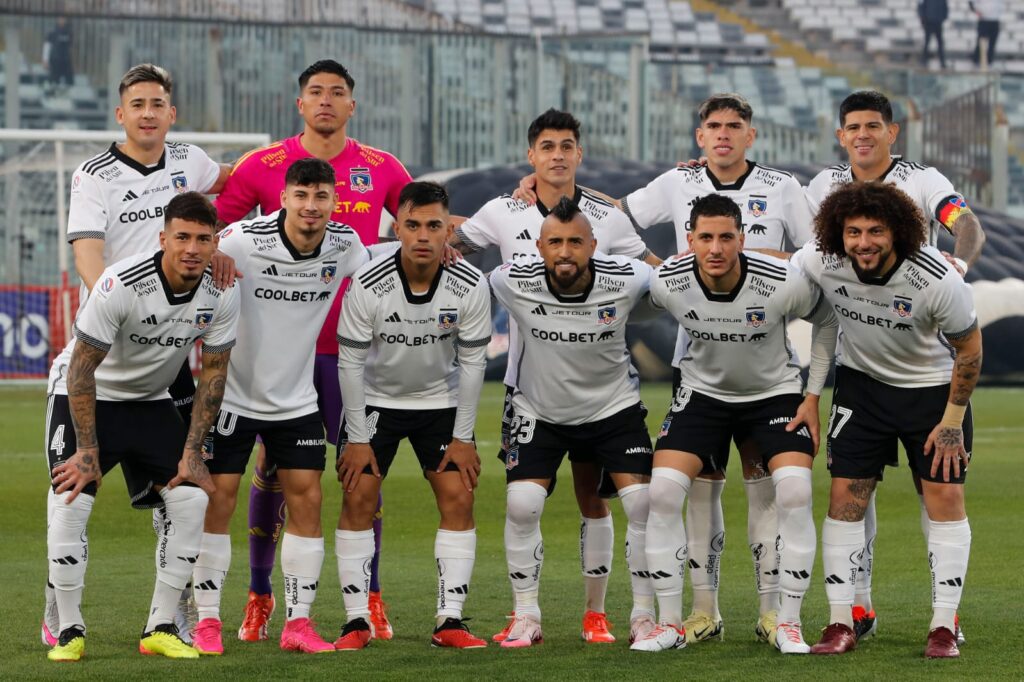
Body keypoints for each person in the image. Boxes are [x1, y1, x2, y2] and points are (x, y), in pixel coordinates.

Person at [562, 93, 814, 644]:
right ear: (700, 136)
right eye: (713, 126)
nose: (723, 134)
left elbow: (816, 253)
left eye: (734, 126)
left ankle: (774, 613)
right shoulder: (678, 183)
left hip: (766, 363)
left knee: (766, 487)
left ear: (752, 135)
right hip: (697, 363)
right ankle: (704, 612)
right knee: (700, 487)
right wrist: (658, 265)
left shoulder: (783, 187)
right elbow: (612, 218)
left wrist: (771, 264)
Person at [214, 59, 412, 642]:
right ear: (299, 103)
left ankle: (368, 595)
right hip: (278, 350)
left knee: (360, 471)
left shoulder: (382, 167)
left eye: (338, 93)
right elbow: (212, 233)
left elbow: (416, 223)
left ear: (354, 104)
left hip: (353, 348)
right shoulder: (261, 166)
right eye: (316, 92)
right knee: (273, 471)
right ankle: (259, 595)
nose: (326, 100)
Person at [450, 108, 661, 644]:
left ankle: (611, 614)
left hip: (607, 392)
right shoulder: (502, 209)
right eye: (548, 146)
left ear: (579, 154)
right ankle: (526, 615)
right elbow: (451, 244)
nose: (558, 155)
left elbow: (656, 276)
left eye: (567, 145)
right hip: (533, 390)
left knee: (607, 502)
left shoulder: (608, 217)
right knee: (523, 503)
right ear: (532, 155)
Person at [41, 62, 232, 648]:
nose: (148, 113)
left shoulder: (191, 161)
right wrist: (127, 306)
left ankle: (166, 617)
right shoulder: (94, 174)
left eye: (158, 104)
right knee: (71, 493)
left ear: (171, 115)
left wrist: (219, 244)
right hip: (110, 338)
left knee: (181, 494)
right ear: (121, 114)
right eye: (137, 104)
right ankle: (61, 615)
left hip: (165, 358)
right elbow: (88, 257)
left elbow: (244, 180)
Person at [805, 89, 984, 642]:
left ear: (891, 132)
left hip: (931, 376)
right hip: (862, 380)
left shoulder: (925, 183)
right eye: (852, 126)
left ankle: (944, 620)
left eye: (873, 126)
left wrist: (961, 261)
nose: (863, 134)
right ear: (841, 136)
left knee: (942, 497)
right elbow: (807, 263)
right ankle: (849, 614)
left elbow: (967, 224)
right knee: (847, 495)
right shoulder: (821, 190)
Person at [634, 193, 836, 653]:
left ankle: (786, 622)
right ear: (689, 240)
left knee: (795, 491)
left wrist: (812, 394)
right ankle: (671, 624)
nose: (716, 248)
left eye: (726, 237)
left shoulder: (783, 280)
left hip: (773, 395)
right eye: (705, 237)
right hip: (703, 395)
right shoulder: (669, 282)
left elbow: (826, 320)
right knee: (662, 492)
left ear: (742, 239)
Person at [191, 159, 376, 655]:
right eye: (301, 196)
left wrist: (445, 244)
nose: (311, 206)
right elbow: (191, 255)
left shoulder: (345, 245)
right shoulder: (244, 240)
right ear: (284, 198)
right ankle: (207, 621)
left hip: (296, 400)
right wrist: (213, 255)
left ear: (334, 201)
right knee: (218, 501)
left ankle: (298, 623)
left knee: (308, 501)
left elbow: (386, 265)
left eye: (320, 196)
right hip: (233, 396)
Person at [488, 197, 656, 649]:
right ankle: (526, 615)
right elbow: (457, 276)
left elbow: (677, 278)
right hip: (538, 410)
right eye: (555, 242)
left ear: (594, 246)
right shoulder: (511, 278)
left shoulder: (628, 276)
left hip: (612, 408)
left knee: (641, 505)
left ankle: (637, 616)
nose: (565, 251)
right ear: (539, 247)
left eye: (575, 242)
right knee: (522, 505)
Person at [334, 181, 491, 650]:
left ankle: (450, 621)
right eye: (413, 225)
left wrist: (463, 437)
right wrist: (358, 438)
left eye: (434, 226)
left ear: (450, 230)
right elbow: (350, 364)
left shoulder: (470, 284)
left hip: (439, 405)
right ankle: (356, 622)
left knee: (459, 498)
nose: (423, 235)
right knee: (357, 499)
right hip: (376, 402)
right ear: (397, 228)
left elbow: (473, 364)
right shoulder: (368, 281)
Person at [969, 0, 1002, 68]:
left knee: (992, 42)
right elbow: (971, 3)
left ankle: (989, 61)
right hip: (984, 20)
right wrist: (976, 11)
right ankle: (976, 60)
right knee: (981, 41)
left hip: (995, 20)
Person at [43, 16, 73, 89]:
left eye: (63, 19)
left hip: (66, 59)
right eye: (60, 19)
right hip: (55, 59)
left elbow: (70, 46)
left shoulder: (69, 32)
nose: (62, 20)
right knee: (54, 79)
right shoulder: (53, 32)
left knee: (69, 79)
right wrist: (45, 59)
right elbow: (47, 45)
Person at [919, 0, 948, 69]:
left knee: (940, 43)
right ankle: (924, 60)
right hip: (929, 22)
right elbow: (921, 7)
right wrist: (924, 19)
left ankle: (942, 61)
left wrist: (942, 18)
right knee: (927, 42)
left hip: (938, 22)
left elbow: (945, 8)